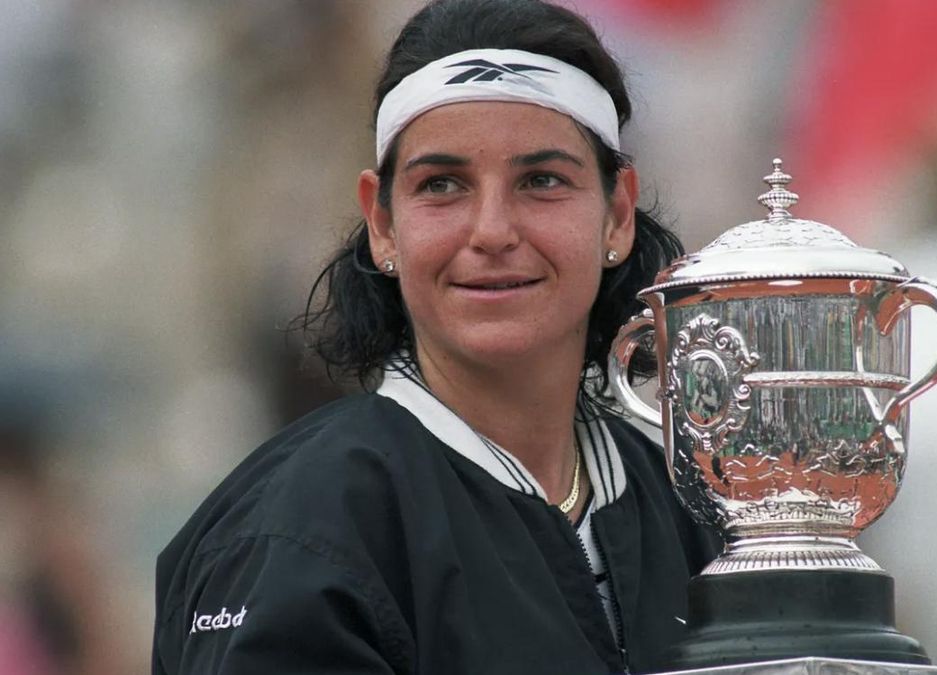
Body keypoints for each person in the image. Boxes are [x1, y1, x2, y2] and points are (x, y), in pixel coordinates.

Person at [151, 1, 720, 673]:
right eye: (443, 185)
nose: (492, 231)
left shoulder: (691, 504)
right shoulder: (303, 528)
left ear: (617, 215)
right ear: (383, 224)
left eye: (542, 181)